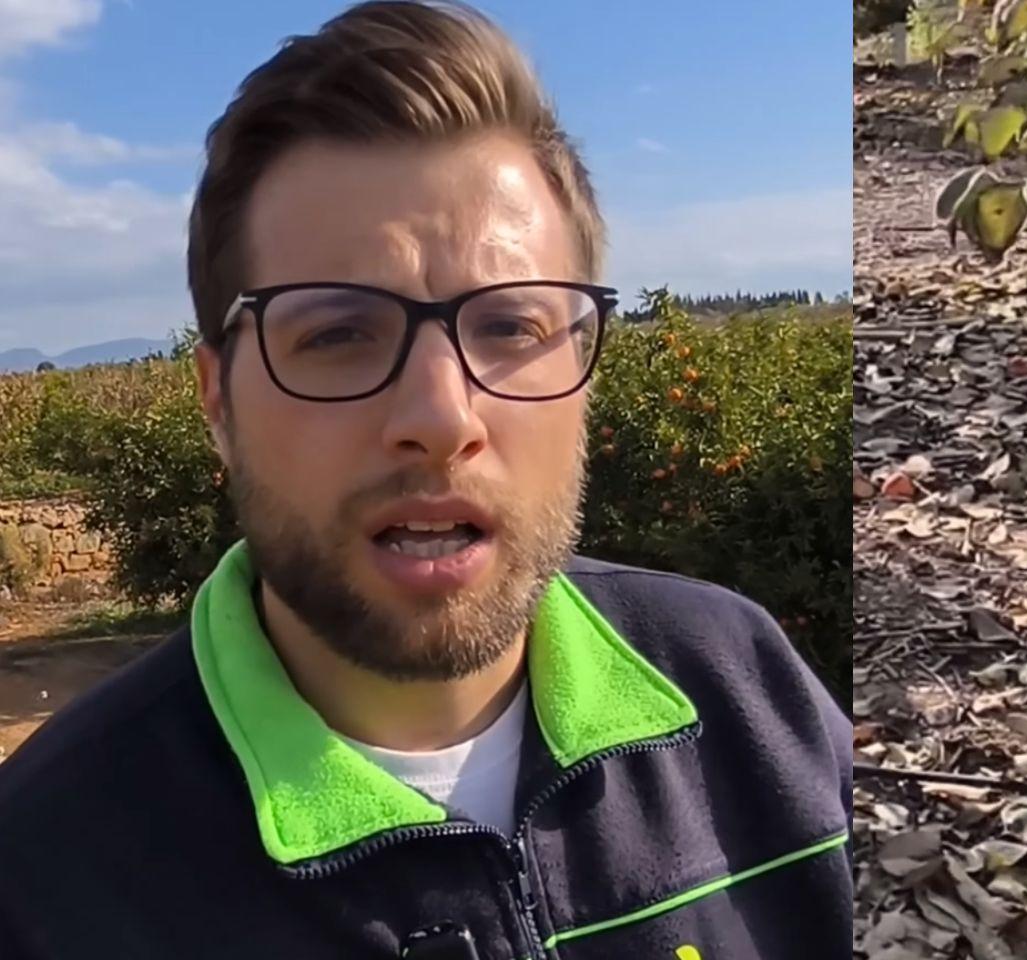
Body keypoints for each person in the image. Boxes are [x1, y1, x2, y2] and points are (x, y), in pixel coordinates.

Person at [0, 2, 852, 957]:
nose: (442, 420)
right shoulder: (44, 878)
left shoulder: (743, 692)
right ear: (218, 402)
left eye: (512, 327)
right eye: (336, 333)